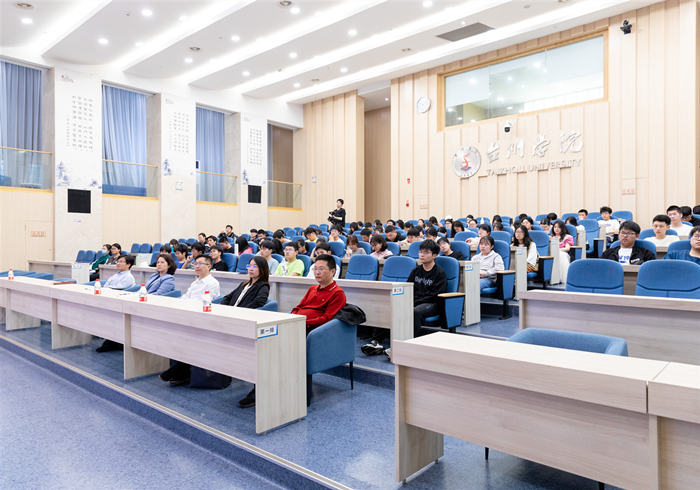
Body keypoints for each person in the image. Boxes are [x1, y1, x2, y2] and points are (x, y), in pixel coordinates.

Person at [160, 255, 221, 386]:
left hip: (202, 317)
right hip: (188, 313)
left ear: (209, 267)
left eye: (200, 264)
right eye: (195, 263)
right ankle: (182, 368)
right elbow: (186, 297)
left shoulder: (212, 283)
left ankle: (180, 369)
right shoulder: (195, 282)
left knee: (189, 338)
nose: (196, 266)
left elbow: (205, 302)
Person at [220, 256, 272, 408]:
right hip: (232, 318)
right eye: (249, 266)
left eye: (254, 266)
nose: (250, 269)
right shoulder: (244, 284)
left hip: (244, 321)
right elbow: (227, 297)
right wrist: (225, 308)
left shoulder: (263, 286)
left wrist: (238, 312)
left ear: (262, 269)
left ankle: (256, 390)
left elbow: (259, 302)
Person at [382, 240, 447, 359]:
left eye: (426, 252)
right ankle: (376, 342)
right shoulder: (415, 271)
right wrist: (407, 302)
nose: (422, 255)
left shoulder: (439, 273)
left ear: (434, 255)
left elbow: (435, 295)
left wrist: (413, 303)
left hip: (432, 304)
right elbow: (408, 289)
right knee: (391, 305)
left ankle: (406, 346)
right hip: (414, 302)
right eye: (420, 252)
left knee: (415, 312)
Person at [291, 254, 347, 334]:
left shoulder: (337, 293)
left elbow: (327, 319)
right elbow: (298, 307)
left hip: (313, 329)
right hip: (298, 323)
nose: (317, 272)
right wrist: (293, 318)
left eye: (321, 269)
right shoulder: (312, 288)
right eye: (315, 269)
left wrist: (302, 322)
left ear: (332, 271)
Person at [95, 254, 137, 353]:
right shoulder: (115, 275)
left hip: (118, 303)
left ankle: (112, 341)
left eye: (121, 262)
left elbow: (116, 289)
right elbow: (106, 286)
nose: (118, 263)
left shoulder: (128, 277)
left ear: (128, 264)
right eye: (118, 261)